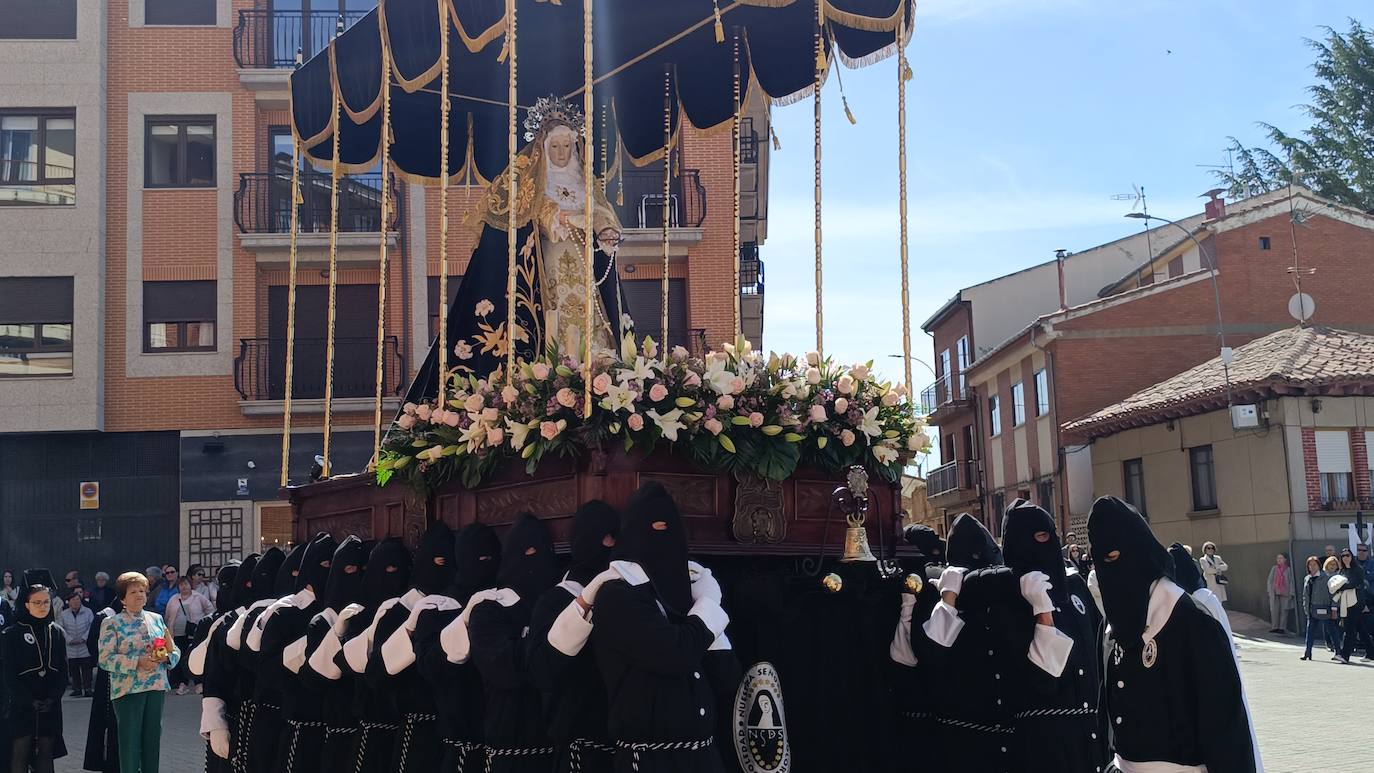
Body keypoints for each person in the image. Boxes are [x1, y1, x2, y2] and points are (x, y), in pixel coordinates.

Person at [407, 96, 631, 403]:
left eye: (567, 146)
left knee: (591, 316)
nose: (562, 153)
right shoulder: (531, 182)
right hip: (548, 264)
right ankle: (557, 371)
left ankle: (596, 370)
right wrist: (559, 217)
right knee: (555, 315)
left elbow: (601, 211)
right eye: (555, 146)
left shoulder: (584, 180)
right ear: (544, 148)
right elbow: (530, 213)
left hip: (583, 266)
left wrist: (606, 229)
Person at [1088, 496, 1258, 772]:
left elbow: (1228, 739)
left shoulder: (1192, 623)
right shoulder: (1109, 631)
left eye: (1115, 557)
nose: (1109, 571)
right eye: (1100, 561)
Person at [592, 482, 733, 772]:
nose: (664, 542)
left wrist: (704, 609)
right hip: (649, 761)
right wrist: (708, 607)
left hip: (704, 758)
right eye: (653, 530)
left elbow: (727, 678)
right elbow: (674, 655)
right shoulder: (617, 595)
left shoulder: (686, 596)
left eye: (671, 531)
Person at [998, 500, 1108, 773]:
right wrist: (1043, 614)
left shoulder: (1074, 585)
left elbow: (1097, 655)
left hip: (1093, 740)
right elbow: (1042, 681)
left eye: (1051, 535)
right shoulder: (1007, 598)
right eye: (1039, 536)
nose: (1048, 544)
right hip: (1046, 748)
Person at [527, 501, 621, 773]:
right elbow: (539, 670)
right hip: (578, 746)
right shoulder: (555, 599)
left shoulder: (628, 594)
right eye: (607, 537)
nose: (612, 544)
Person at [463, 513, 562, 772]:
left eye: (543, 553)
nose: (537, 563)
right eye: (528, 554)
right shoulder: (489, 609)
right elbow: (505, 668)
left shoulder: (559, 604)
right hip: (510, 750)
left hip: (557, 749)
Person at [920, 512, 1016, 773]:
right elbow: (934, 654)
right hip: (963, 736)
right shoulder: (939, 596)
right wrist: (948, 600)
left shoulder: (1004, 591)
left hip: (1008, 732)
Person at [369, 521, 456, 773]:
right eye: (435, 561)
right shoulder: (398, 611)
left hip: (453, 729)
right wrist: (409, 629)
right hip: (413, 727)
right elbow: (377, 673)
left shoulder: (457, 606)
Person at [423, 525, 499, 772]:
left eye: (489, 558)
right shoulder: (442, 605)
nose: (484, 564)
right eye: (478, 558)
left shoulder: (504, 599)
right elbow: (429, 666)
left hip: (500, 737)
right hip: (459, 738)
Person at [338, 538, 412, 773]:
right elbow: (349, 663)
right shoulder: (360, 613)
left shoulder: (411, 610)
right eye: (387, 569)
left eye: (398, 569)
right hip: (370, 725)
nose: (394, 576)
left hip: (407, 727)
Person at [297, 538, 370, 773]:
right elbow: (312, 679)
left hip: (368, 731)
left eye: (362, 570)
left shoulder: (370, 614)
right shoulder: (322, 621)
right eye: (349, 570)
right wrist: (337, 632)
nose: (356, 576)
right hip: (335, 728)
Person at [98, 570, 179, 773]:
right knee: (130, 744)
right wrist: (137, 662)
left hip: (156, 686)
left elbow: (174, 650)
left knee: (152, 741)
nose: (140, 595)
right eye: (133, 591)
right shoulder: (111, 623)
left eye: (142, 591)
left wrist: (167, 658)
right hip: (128, 690)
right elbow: (105, 659)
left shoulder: (156, 619)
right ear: (122, 598)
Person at [2, 571, 69, 773]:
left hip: (49, 704)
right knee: (20, 752)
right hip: (21, 704)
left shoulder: (57, 632)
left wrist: (52, 698)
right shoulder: (11, 634)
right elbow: (8, 675)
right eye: (37, 602)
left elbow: (63, 673)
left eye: (46, 602)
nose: (42, 606)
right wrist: (28, 701)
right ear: (26, 604)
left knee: (46, 753)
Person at [84, 595, 123, 773]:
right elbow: (93, 645)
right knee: (108, 721)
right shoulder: (104, 617)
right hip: (108, 676)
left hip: (134, 680)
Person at [164, 576, 213, 695]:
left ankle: (198, 683)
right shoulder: (174, 599)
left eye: (186, 584)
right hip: (177, 634)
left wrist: (204, 624)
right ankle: (182, 683)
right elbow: (167, 615)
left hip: (194, 633)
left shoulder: (198, 597)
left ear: (190, 584)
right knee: (180, 658)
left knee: (195, 656)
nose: (184, 587)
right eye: (181, 585)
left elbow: (210, 609)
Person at [1330, 548, 1373, 664]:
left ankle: (1345, 655)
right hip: (1346, 603)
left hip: (1357, 603)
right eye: (1343, 556)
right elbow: (1337, 584)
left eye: (1347, 555)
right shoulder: (1342, 571)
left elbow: (1354, 583)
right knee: (1360, 628)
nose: (1345, 557)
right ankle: (1371, 652)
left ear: (1351, 557)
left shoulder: (1357, 569)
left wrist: (1341, 586)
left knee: (1349, 629)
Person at [58, 589, 95, 698]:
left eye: (78, 599)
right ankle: (77, 688)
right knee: (74, 669)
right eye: (73, 600)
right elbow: (60, 628)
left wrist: (84, 638)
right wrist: (69, 640)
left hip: (85, 645)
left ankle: (88, 688)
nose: (76, 602)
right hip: (71, 646)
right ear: (69, 602)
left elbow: (92, 627)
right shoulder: (63, 614)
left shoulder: (88, 612)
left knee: (86, 668)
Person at [1301, 556, 1338, 660]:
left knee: (1332, 630)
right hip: (1312, 609)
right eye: (1310, 565)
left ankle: (1338, 651)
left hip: (1325, 608)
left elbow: (1333, 594)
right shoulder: (1307, 578)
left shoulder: (1325, 577)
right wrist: (1306, 608)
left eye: (1315, 564)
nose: (1312, 567)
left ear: (1319, 566)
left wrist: (1334, 608)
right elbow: (1305, 595)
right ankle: (1307, 652)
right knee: (1310, 632)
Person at [1266, 553, 1295, 634]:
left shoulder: (1288, 569)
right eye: (1278, 558)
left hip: (1285, 593)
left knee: (1284, 611)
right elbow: (1270, 580)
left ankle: (1282, 628)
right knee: (1274, 610)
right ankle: (1274, 627)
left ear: (1285, 560)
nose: (1279, 560)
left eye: (1281, 558)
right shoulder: (1274, 568)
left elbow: (1291, 581)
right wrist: (1270, 590)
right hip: (1275, 592)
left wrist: (1291, 593)